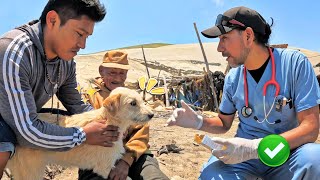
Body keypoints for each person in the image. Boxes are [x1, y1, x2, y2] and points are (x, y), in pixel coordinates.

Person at [167, 6, 320, 179]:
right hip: (242, 158)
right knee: (211, 175)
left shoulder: (294, 64)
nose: (219, 48)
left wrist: (255, 148)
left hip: (286, 152)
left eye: (224, 38)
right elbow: (224, 123)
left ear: (248, 36)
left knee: (315, 159)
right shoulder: (233, 78)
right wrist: (198, 121)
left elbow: (311, 128)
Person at [0, 0, 120, 178]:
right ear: (53, 20)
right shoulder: (14, 51)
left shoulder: (66, 62)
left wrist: (108, 124)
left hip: (22, 116)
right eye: (79, 34)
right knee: (3, 147)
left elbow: (77, 106)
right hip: (5, 118)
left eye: (87, 37)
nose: (83, 44)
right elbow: (27, 131)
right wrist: (83, 135)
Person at [79, 50, 169, 180]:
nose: (117, 78)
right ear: (101, 71)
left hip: (133, 155)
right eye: (112, 73)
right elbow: (85, 127)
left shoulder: (132, 97)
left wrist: (126, 160)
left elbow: (141, 134)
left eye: (122, 73)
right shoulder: (89, 96)